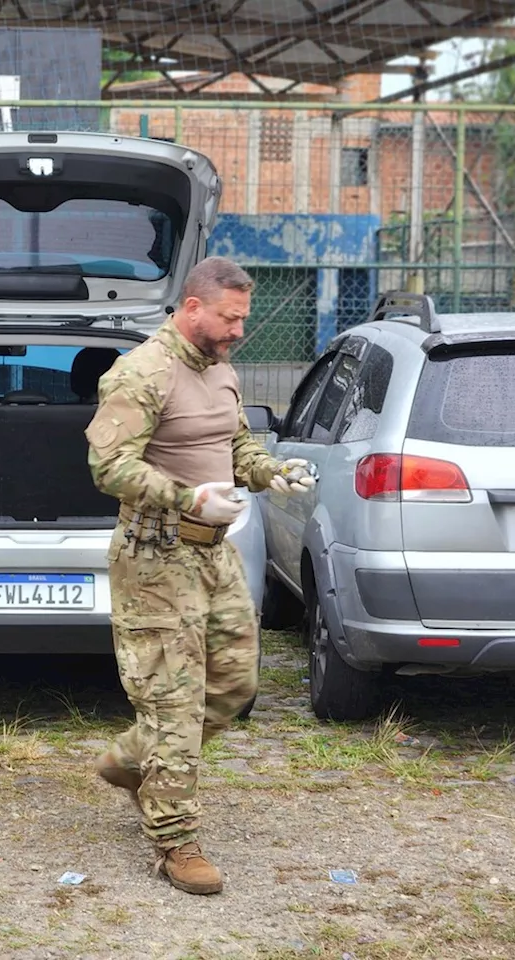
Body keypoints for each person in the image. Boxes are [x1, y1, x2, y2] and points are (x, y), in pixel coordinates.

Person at [84, 256, 315, 896]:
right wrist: (187, 498)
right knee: (172, 703)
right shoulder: (141, 374)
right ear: (193, 308)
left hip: (214, 555)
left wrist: (270, 471)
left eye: (242, 317)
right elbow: (109, 467)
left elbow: (236, 445)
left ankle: (134, 763)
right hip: (156, 558)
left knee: (235, 683)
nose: (239, 329)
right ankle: (175, 841)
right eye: (230, 317)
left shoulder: (220, 370)